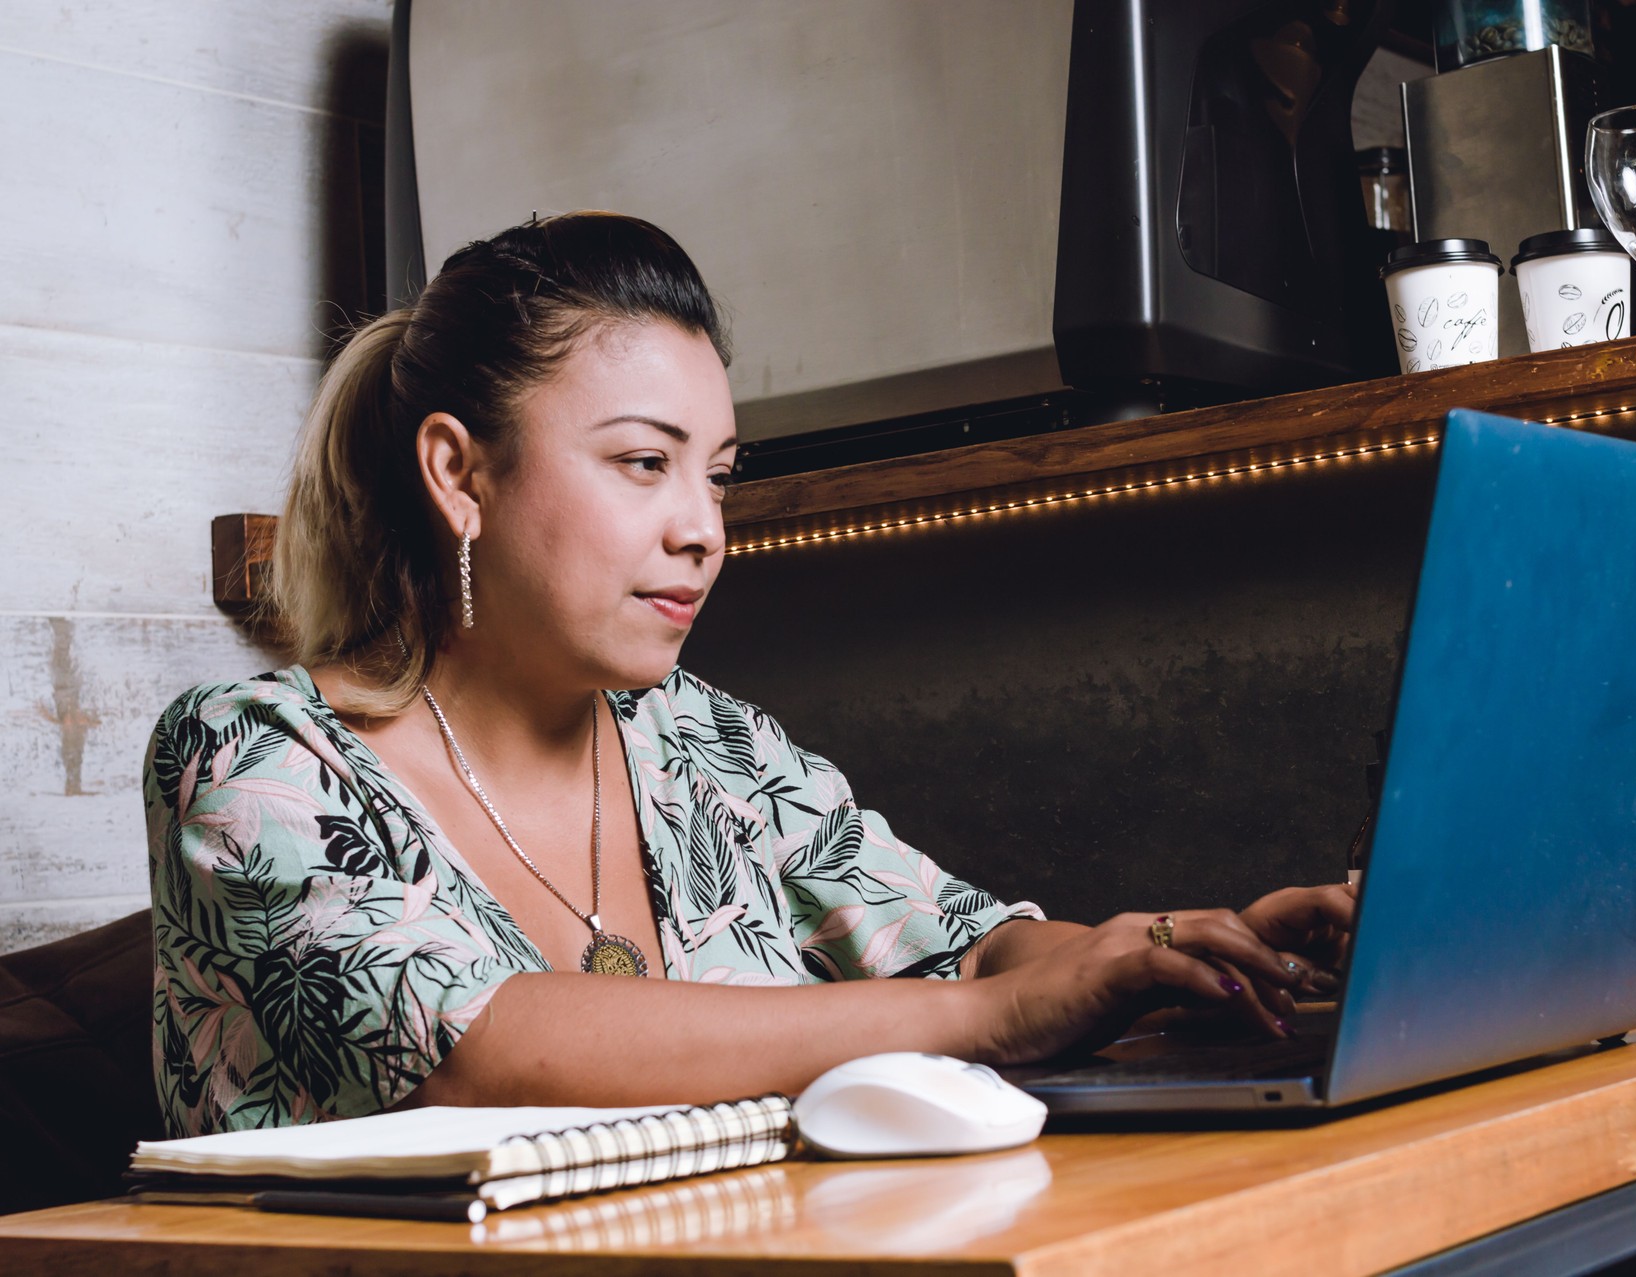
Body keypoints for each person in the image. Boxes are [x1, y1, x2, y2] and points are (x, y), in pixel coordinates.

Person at [145, 213, 1354, 1137]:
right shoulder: (254, 755)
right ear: (460, 474)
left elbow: (970, 950)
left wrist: (1173, 949)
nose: (701, 527)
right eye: (641, 461)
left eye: (716, 474)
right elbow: (479, 1048)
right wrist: (982, 1020)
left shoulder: (703, 742)